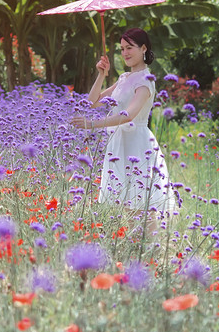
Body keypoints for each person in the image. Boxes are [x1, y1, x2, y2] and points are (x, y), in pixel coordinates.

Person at [70, 28, 175, 228]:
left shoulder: (146, 80)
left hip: (137, 143)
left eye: (130, 47)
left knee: (141, 204)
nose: (125, 53)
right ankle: (135, 252)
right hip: (120, 143)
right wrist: (101, 75)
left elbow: (129, 115)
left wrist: (92, 125)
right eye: (122, 49)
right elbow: (93, 102)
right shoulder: (124, 78)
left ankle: (151, 253)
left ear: (143, 48)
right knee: (126, 205)